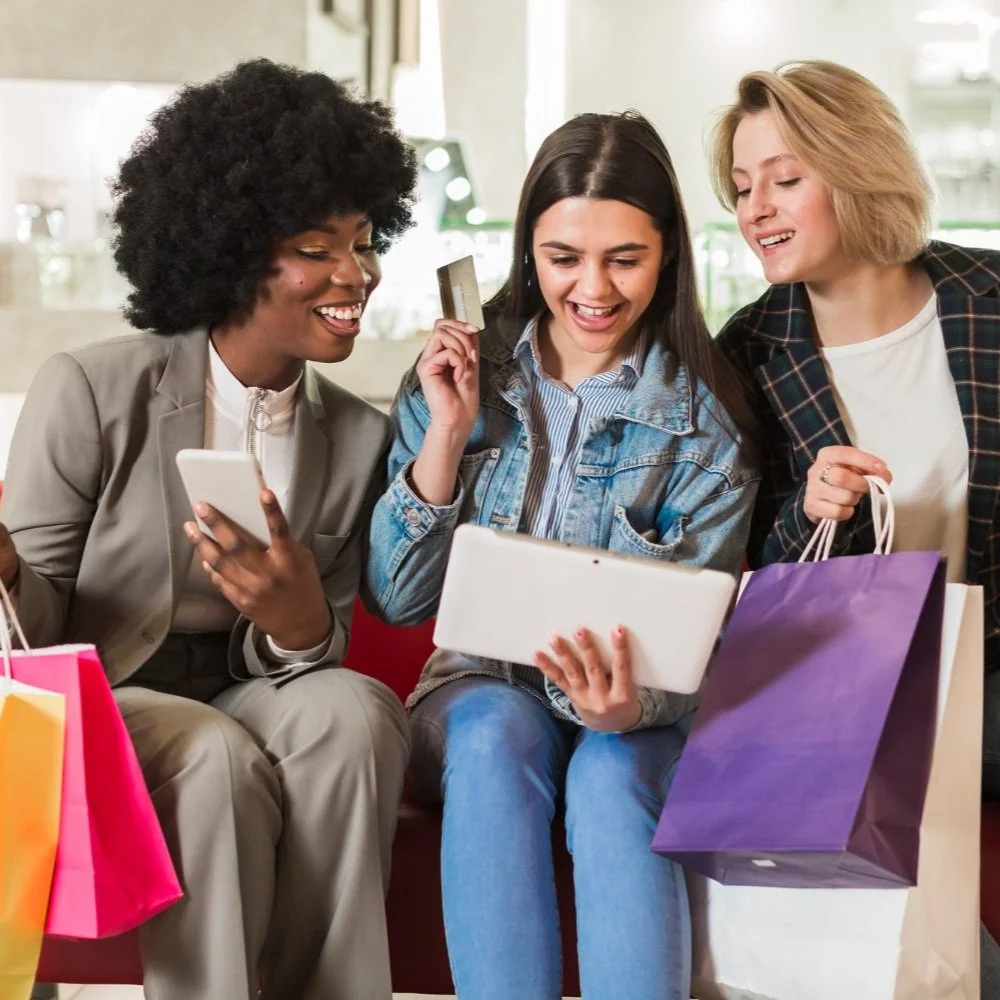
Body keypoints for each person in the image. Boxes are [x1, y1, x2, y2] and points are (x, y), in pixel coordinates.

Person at [0, 59, 416, 1000]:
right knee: (212, 754)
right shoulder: (96, 391)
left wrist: (300, 620)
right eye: (319, 246)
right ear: (232, 255)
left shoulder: (358, 436)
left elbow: (323, 650)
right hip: (103, 700)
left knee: (355, 714)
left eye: (364, 241)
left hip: (252, 692)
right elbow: (34, 634)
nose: (356, 275)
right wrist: (4, 568)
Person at [366, 110, 759, 1000]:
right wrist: (449, 437)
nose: (593, 289)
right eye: (563, 259)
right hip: (477, 695)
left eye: (625, 259)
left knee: (613, 772)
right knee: (497, 731)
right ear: (527, 249)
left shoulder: (709, 427)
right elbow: (395, 598)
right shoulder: (463, 378)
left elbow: (694, 650)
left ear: (668, 257)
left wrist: (632, 707)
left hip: (640, 714)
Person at [712, 58, 1000, 998]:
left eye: (785, 179)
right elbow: (749, 571)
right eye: (743, 186)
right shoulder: (745, 354)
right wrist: (810, 513)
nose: (756, 207)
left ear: (858, 167)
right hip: (850, 693)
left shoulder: (987, 302)